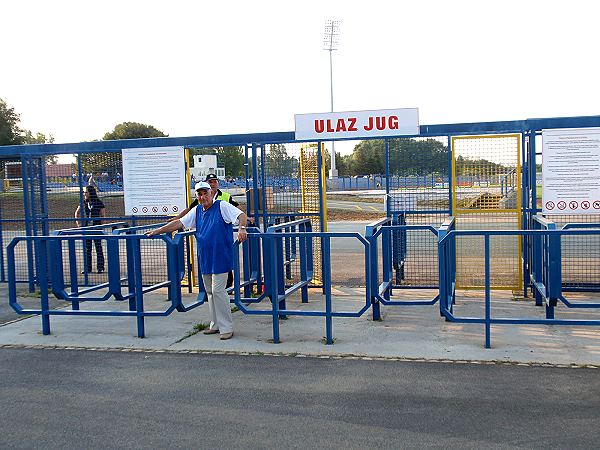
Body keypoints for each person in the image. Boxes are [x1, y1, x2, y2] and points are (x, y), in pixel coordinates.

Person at [146, 181, 248, 340]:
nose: (203, 197)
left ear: (211, 193)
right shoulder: (197, 211)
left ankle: (226, 327)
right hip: (206, 256)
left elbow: (241, 215)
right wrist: (158, 230)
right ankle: (215, 324)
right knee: (209, 291)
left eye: (205, 193)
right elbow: (179, 222)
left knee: (218, 290)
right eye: (199, 194)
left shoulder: (222, 206)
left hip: (221, 255)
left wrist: (242, 228)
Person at [74, 185, 105, 273]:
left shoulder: (99, 202)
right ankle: (88, 268)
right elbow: (77, 213)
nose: (85, 193)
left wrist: (101, 226)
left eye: (86, 192)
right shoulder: (84, 202)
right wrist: (78, 223)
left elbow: (102, 215)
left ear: (91, 193)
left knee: (98, 247)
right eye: (84, 192)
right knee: (88, 248)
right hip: (87, 228)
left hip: (96, 227)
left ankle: (100, 267)